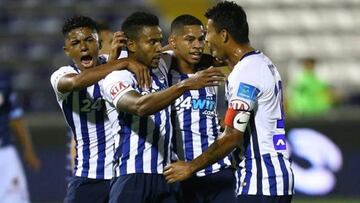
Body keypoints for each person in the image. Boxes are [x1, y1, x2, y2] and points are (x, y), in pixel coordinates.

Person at [164, 2, 294, 203]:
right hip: (274, 176)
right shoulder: (261, 62)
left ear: (223, 35)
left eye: (207, 33)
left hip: (261, 181)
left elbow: (232, 136)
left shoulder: (245, 73)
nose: (206, 41)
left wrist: (190, 167)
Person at [101, 12, 225, 203]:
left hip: (166, 177)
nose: (159, 48)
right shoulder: (117, 78)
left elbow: (184, 50)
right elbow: (139, 106)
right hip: (132, 176)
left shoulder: (160, 69)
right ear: (132, 45)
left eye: (159, 41)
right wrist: (185, 85)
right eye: (152, 42)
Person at [50, 15, 149, 203]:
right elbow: (75, 83)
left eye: (89, 40)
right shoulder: (61, 75)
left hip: (124, 175)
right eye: (76, 43)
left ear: (99, 43)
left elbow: (154, 51)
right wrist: (120, 62)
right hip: (89, 177)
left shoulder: (115, 65)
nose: (84, 47)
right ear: (67, 50)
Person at [166, 14, 235, 203]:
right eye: (189, 39)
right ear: (173, 41)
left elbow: (236, 53)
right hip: (180, 173)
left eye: (201, 39)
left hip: (218, 171)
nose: (197, 45)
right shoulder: (162, 73)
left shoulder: (210, 69)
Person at [0, 72, 41, 203]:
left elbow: (16, 118)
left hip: (4, 150)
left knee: (14, 198)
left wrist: (28, 149)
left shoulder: (3, 83)